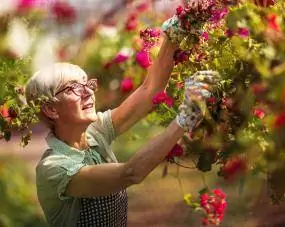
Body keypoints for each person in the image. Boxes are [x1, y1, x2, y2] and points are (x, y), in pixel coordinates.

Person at [24, 18, 219, 226]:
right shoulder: (54, 168)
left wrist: (172, 37)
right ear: (51, 109)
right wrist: (184, 119)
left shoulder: (94, 132)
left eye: (87, 84)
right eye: (73, 88)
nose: (88, 92)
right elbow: (130, 173)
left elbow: (148, 90)